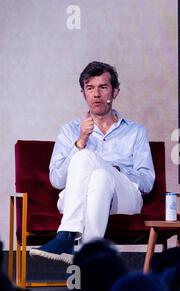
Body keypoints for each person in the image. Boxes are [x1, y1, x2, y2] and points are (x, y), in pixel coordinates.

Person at [30, 61, 155, 264]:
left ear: (115, 92)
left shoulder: (135, 131)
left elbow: (147, 182)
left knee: (101, 169)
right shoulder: (69, 131)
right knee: (99, 176)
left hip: (123, 197)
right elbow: (57, 181)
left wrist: (117, 171)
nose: (96, 94)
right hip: (75, 197)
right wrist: (80, 141)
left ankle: (66, 235)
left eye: (103, 87)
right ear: (84, 94)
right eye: (90, 88)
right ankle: (89, 259)